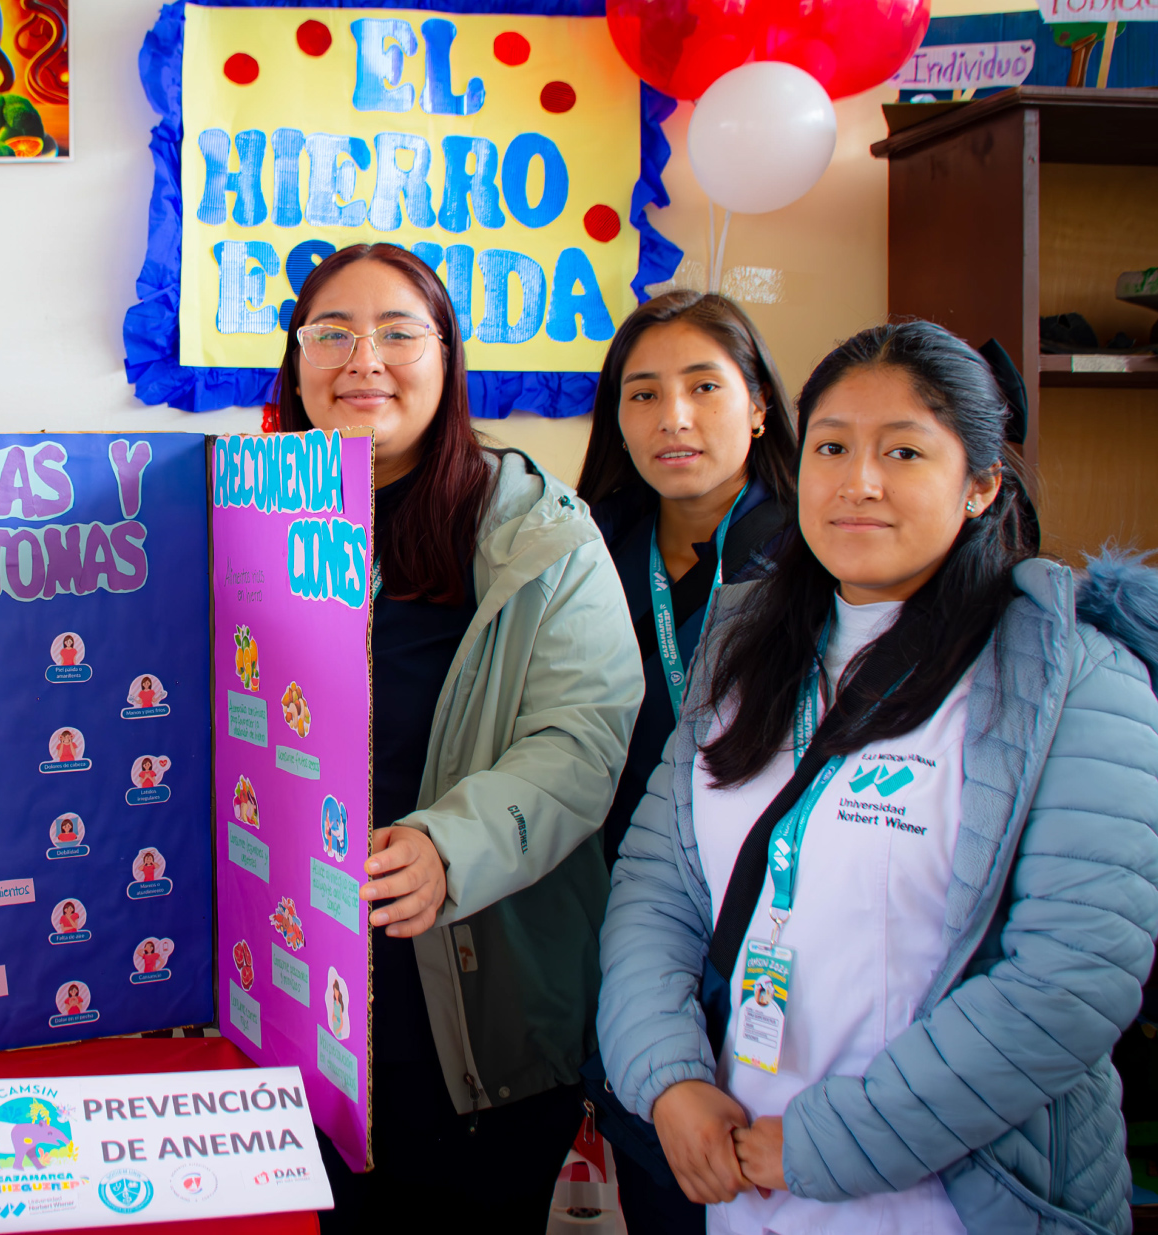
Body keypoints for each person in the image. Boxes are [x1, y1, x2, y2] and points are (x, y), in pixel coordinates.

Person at [596, 320, 1158, 1234]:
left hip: (965, 1203)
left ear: (981, 483)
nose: (858, 480)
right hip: (746, 1189)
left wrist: (820, 1143)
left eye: (903, 450)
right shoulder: (744, 654)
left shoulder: (1075, 682)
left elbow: (1071, 978)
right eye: (832, 446)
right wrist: (670, 1078)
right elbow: (656, 891)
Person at [277, 243, 642, 1231]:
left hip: (466, 1010)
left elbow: (580, 734)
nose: (363, 359)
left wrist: (452, 843)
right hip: (285, 1003)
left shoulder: (536, 532)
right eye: (330, 332)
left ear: (447, 358)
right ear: (295, 356)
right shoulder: (246, 513)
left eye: (398, 331)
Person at [575, 293, 798, 1233]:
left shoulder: (815, 549)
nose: (673, 417)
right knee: (661, 1182)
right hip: (629, 920)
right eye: (644, 393)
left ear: (756, 405)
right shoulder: (579, 547)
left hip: (776, 925)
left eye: (705, 387)